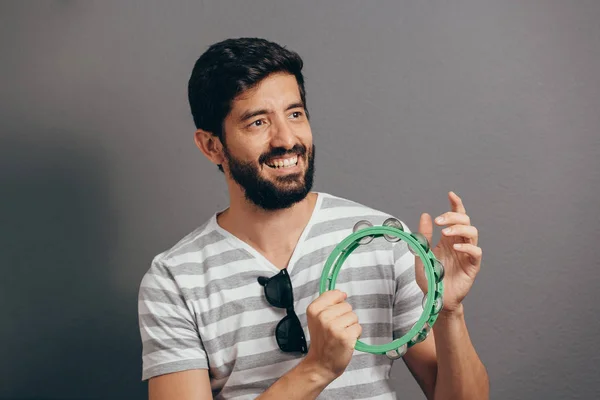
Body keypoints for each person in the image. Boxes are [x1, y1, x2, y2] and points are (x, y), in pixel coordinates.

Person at [138, 37, 489, 400]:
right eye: (258, 122)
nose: (287, 138)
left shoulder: (383, 242)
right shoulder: (175, 279)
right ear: (212, 146)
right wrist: (317, 368)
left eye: (295, 114)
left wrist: (447, 311)